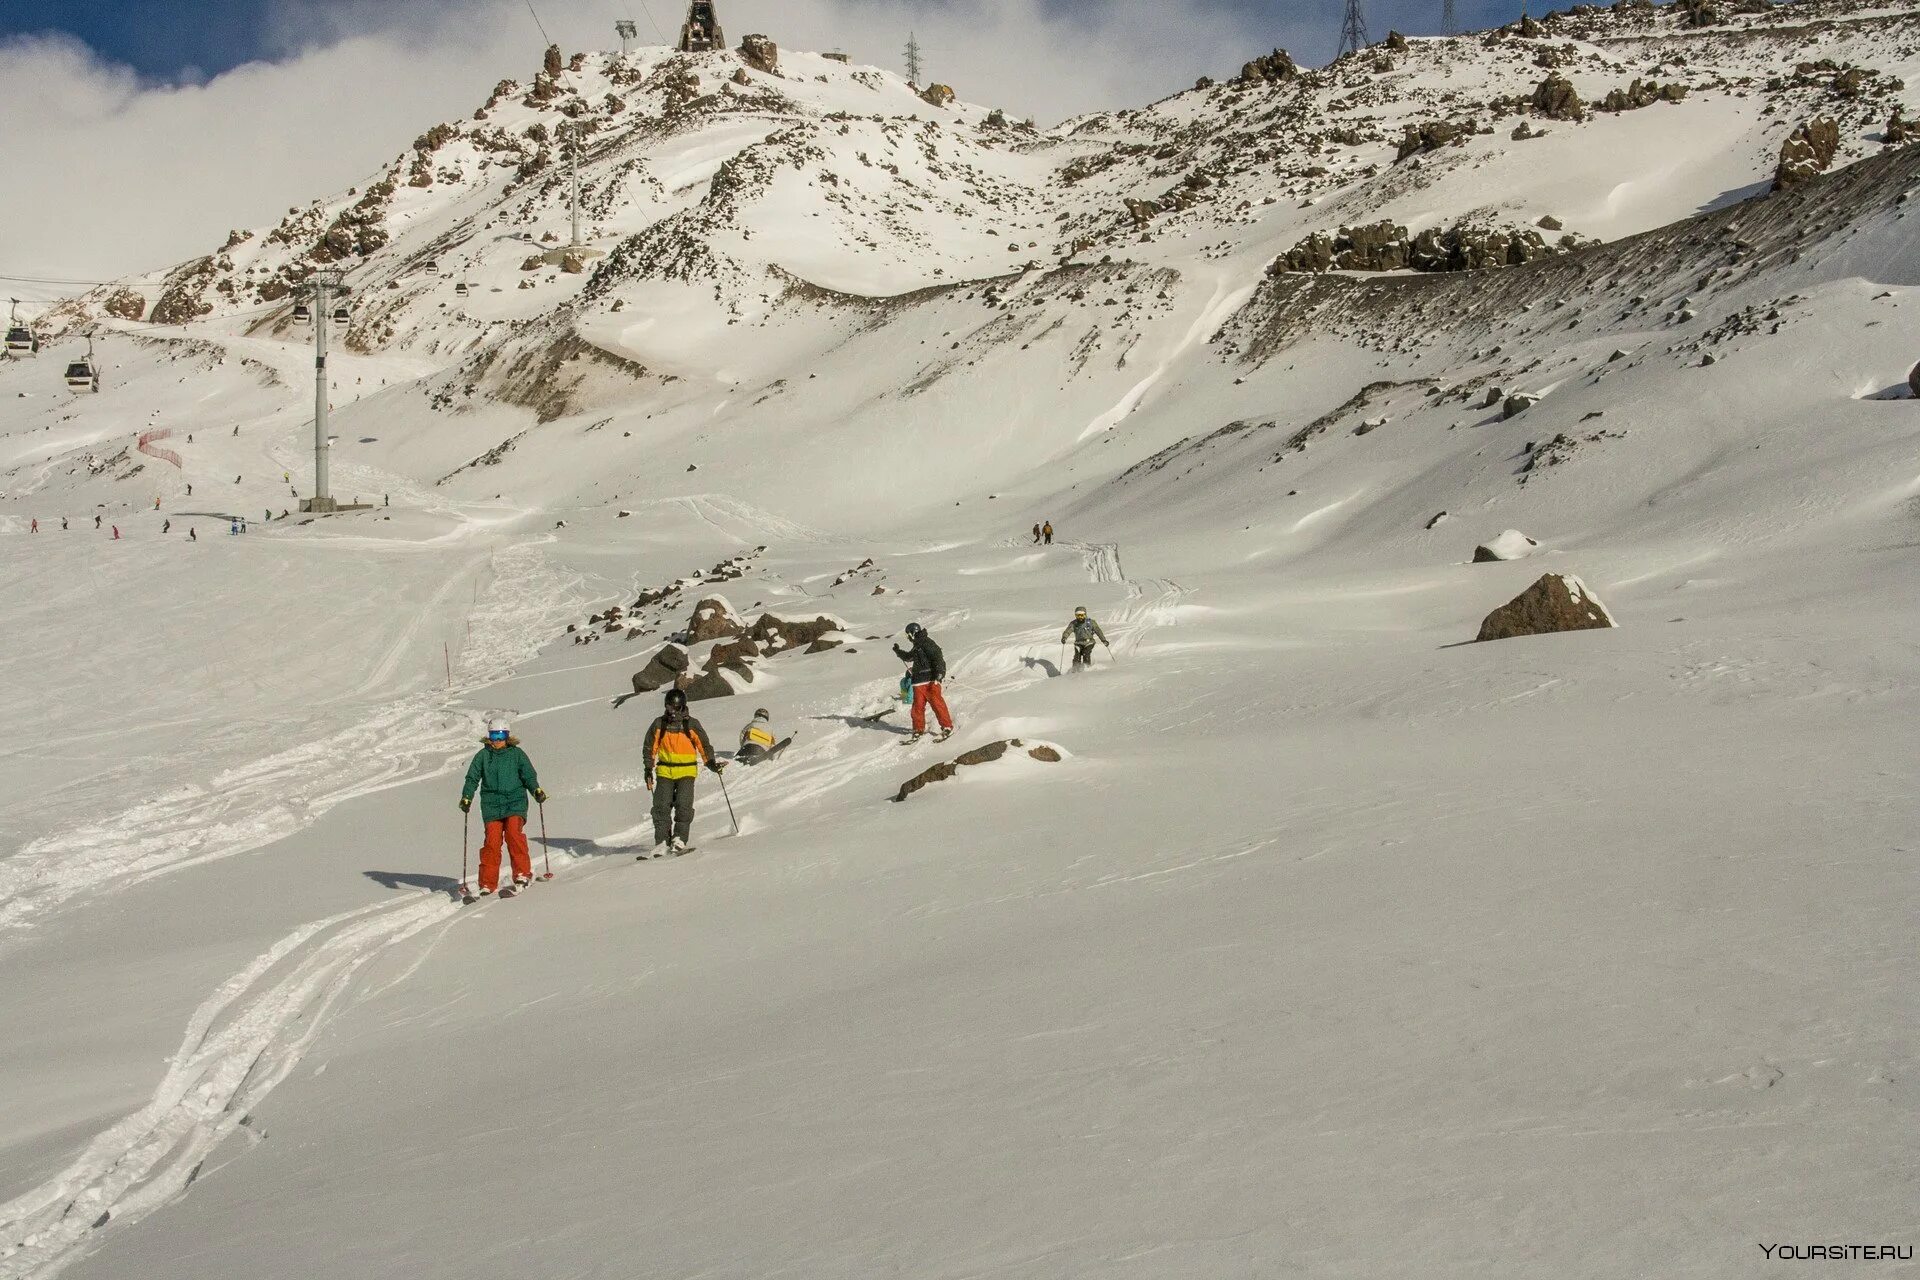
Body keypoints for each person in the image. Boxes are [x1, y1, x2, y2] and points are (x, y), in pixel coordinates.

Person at [460, 715, 548, 896]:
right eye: (493, 736)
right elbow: (472, 778)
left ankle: (522, 873)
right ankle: (487, 883)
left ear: (507, 736)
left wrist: (536, 790)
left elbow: (528, 775)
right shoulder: (483, 756)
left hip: (514, 801)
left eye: (500, 736)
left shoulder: (517, 754)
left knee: (514, 835)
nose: (497, 741)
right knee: (491, 843)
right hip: (491, 805)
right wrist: (467, 797)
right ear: (489, 737)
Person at [643, 688, 721, 856]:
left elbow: (703, 744)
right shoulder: (659, 724)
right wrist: (648, 768)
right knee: (661, 807)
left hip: (686, 772)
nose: (671, 711)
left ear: (682, 707)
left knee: (683, 807)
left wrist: (710, 762)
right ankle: (662, 841)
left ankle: (679, 839)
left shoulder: (691, 724)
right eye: (669, 707)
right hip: (665, 771)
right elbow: (650, 747)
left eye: (675, 708)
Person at [891, 622, 954, 743]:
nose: (908, 638)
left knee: (937, 704)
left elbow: (938, 657)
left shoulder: (927, 642)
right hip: (918, 682)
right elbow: (909, 657)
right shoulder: (917, 645)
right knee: (917, 708)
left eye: (908, 635)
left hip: (930, 680)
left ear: (913, 632)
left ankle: (947, 727)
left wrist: (939, 674)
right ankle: (918, 729)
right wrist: (898, 651)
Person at [1061, 606, 1110, 671]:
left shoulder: (1091, 622)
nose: (1080, 618)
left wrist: (1103, 640)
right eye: (1078, 616)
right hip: (1078, 642)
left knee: (1086, 653)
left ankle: (1086, 669)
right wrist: (1064, 637)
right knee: (1077, 656)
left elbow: (1098, 631)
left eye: (1082, 615)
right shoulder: (1074, 623)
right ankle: (1075, 670)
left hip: (1089, 642)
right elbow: (1068, 631)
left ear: (1085, 614)